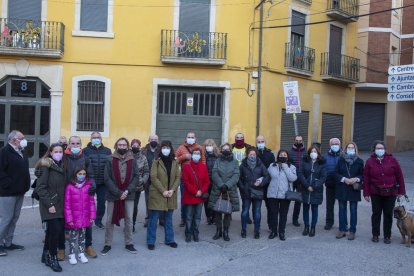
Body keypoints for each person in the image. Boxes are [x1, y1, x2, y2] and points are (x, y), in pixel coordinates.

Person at [101, 138, 140, 255]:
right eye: (120, 145)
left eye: (124, 145)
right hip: (113, 195)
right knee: (109, 220)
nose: (122, 147)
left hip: (129, 194)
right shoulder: (109, 159)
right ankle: (107, 244)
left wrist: (127, 191)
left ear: (127, 146)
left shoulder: (132, 160)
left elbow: (136, 176)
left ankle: (129, 243)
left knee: (129, 219)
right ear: (116, 146)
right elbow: (106, 178)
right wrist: (118, 192)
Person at [363, 141, 405, 244]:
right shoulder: (369, 161)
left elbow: (399, 176)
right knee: (376, 214)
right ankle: (375, 235)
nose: (380, 150)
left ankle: (387, 236)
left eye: (381, 148)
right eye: (378, 148)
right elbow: (366, 178)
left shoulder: (392, 160)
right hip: (375, 192)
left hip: (391, 192)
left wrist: (401, 191)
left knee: (388, 214)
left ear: (385, 149)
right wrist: (366, 193)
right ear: (374, 150)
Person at [63, 136, 97, 259]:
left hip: (83, 193)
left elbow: (91, 175)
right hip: (67, 192)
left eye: (78, 143)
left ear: (81, 144)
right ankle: (61, 248)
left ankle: (88, 246)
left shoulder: (85, 158)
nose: (75, 146)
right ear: (69, 144)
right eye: (73, 143)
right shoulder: (63, 157)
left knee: (86, 220)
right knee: (65, 220)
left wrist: (92, 185)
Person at [35, 143, 66, 272]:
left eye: (60, 151)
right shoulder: (46, 166)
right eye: (56, 151)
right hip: (50, 205)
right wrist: (50, 204)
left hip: (60, 204)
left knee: (52, 232)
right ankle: (53, 258)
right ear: (51, 152)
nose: (58, 153)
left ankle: (45, 254)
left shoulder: (61, 165)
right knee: (55, 232)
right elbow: (40, 188)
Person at [0, 130, 30, 257]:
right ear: (13, 140)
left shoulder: (21, 151)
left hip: (19, 191)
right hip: (8, 193)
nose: (24, 140)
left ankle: (8, 242)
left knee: (14, 218)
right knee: (6, 219)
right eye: (21, 138)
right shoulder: (4, 152)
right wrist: (9, 184)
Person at [147, 140, 180, 250]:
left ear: (171, 149)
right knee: (154, 218)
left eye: (168, 147)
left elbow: (177, 177)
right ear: (160, 149)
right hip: (158, 194)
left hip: (171, 194)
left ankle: (170, 239)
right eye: (164, 147)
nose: (166, 149)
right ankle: (151, 241)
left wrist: (172, 190)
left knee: (169, 219)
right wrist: (163, 191)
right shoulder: (156, 161)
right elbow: (153, 177)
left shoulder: (175, 161)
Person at [208, 143, 240, 241]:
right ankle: (218, 230)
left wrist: (227, 185)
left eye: (227, 149)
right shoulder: (217, 160)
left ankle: (226, 231)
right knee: (217, 210)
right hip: (218, 189)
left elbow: (236, 175)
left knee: (228, 211)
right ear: (221, 150)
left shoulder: (235, 162)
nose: (225, 150)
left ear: (230, 150)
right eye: (223, 149)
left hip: (230, 190)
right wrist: (221, 184)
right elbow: (214, 173)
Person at [64, 168, 96, 265]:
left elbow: (91, 203)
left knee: (82, 236)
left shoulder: (88, 186)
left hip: (85, 217)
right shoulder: (70, 187)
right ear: (75, 174)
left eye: (83, 174)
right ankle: (72, 254)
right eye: (79, 173)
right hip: (74, 218)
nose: (81, 175)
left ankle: (81, 253)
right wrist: (69, 219)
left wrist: (92, 216)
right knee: (72, 237)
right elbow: (67, 204)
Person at [238, 147, 269, 239]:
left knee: (257, 212)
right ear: (247, 155)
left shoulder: (260, 164)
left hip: (257, 191)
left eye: (254, 154)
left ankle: (257, 231)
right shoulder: (243, 165)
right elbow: (238, 178)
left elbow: (267, 176)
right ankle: (243, 229)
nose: (252, 156)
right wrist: (243, 187)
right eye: (250, 154)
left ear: (256, 155)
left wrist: (261, 183)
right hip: (246, 192)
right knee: (244, 212)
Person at [176, 131, 206, 227]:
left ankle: (194, 218)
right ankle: (183, 218)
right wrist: (184, 156)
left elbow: (203, 161)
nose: (190, 138)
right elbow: (175, 160)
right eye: (189, 137)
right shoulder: (181, 148)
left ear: (195, 138)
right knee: (185, 199)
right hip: (185, 178)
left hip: (197, 179)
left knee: (196, 199)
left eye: (192, 137)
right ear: (186, 138)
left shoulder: (200, 148)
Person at [335, 142, 364, 240]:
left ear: (355, 149)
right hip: (342, 187)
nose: (350, 149)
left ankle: (352, 231)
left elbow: (362, 175)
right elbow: (335, 173)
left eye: (352, 148)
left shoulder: (360, 161)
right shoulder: (340, 160)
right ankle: (342, 230)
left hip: (354, 188)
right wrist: (344, 179)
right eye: (349, 147)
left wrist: (356, 179)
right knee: (342, 209)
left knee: (353, 210)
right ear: (346, 149)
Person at [83, 132, 112, 229]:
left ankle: (98, 220)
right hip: (90, 181)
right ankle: (87, 219)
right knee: (88, 202)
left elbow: (110, 166)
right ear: (91, 139)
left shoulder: (107, 151)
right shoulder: (85, 151)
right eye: (94, 137)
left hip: (103, 182)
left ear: (101, 138)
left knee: (102, 202)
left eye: (98, 137)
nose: (96, 139)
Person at [267, 149, 297, 241]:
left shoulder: (291, 167)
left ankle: (281, 232)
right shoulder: (272, 165)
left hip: (285, 194)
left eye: (284, 155)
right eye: (281, 155)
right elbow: (268, 176)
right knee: (273, 214)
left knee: (283, 214)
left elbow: (293, 178)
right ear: (278, 156)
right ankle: (273, 231)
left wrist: (285, 166)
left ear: (287, 157)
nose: (283, 156)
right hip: (273, 194)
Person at [182, 148, 210, 242]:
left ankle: (195, 232)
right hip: (190, 195)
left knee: (197, 216)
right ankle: (188, 233)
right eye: (195, 153)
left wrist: (201, 191)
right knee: (189, 216)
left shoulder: (204, 166)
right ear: (191, 154)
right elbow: (186, 182)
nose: (196, 155)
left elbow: (207, 182)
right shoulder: (186, 166)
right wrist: (195, 192)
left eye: (198, 153)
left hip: (200, 196)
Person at [299, 146, 327, 237]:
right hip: (305, 189)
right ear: (309, 153)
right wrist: (307, 186)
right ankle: (306, 226)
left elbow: (323, 177)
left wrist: (314, 186)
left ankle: (313, 227)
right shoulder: (304, 161)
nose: (313, 153)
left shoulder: (322, 163)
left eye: (315, 151)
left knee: (315, 209)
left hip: (316, 190)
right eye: (312, 151)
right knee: (305, 209)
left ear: (318, 153)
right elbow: (300, 174)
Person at [231, 132, 253, 224]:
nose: (239, 139)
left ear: (244, 139)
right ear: (235, 138)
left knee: (245, 197)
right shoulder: (231, 147)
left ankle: (246, 215)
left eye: (241, 137)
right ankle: (229, 214)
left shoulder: (248, 148)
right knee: (230, 196)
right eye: (237, 137)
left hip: (244, 176)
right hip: (232, 175)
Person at [141, 134, 161, 227]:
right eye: (152, 139)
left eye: (155, 139)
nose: (153, 140)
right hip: (147, 180)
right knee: (148, 200)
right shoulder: (144, 150)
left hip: (159, 179)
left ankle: (161, 219)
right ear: (149, 140)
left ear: (158, 140)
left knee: (160, 199)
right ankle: (148, 219)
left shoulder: (162, 150)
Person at [256, 135, 275, 230]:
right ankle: (257, 227)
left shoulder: (270, 154)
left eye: (262, 141)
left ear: (265, 142)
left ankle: (271, 226)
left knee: (270, 206)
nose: (260, 143)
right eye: (258, 142)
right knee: (256, 207)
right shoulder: (253, 153)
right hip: (256, 184)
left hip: (267, 184)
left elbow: (272, 169)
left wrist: (265, 180)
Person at [131, 139, 149, 232]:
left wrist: (143, 180)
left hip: (137, 186)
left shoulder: (143, 158)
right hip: (127, 186)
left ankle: (132, 224)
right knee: (126, 207)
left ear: (140, 146)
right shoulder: (127, 156)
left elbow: (146, 171)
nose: (135, 147)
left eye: (137, 145)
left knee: (134, 207)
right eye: (133, 145)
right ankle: (128, 223)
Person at [288, 135, 307, 227]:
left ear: (303, 141)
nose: (298, 142)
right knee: (287, 197)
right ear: (294, 141)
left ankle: (295, 219)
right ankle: (283, 217)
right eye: (297, 140)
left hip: (301, 179)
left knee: (299, 200)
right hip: (292, 178)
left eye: (300, 140)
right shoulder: (289, 152)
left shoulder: (306, 152)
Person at [324, 138, 342, 230]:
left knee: (342, 205)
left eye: (337, 144)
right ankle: (329, 222)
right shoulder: (325, 156)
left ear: (340, 145)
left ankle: (343, 224)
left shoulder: (343, 155)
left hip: (341, 184)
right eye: (333, 144)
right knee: (329, 205)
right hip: (330, 184)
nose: (335, 145)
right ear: (330, 145)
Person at [203, 139, 219, 225]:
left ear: (214, 146)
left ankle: (215, 216)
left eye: (210, 145)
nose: (209, 147)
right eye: (207, 145)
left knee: (215, 199)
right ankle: (208, 216)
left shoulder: (218, 156)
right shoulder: (203, 156)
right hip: (206, 181)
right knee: (206, 199)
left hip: (215, 181)